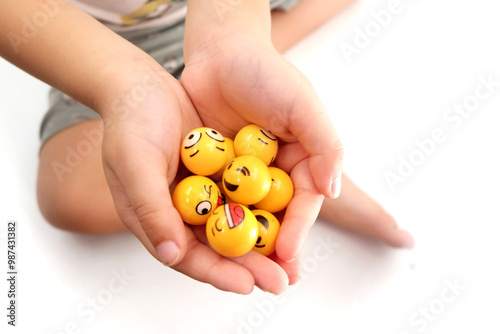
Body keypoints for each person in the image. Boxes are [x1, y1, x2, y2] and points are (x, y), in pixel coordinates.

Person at [0, 0, 413, 295]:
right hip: (91, 42)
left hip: (228, 11)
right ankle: (229, 98)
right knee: (70, 198)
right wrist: (120, 83)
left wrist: (231, 37)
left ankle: (232, 78)